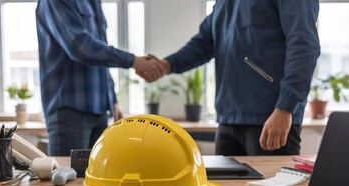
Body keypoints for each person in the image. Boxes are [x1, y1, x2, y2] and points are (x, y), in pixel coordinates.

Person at [140, 1, 320, 156]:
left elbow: (304, 46)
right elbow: (204, 42)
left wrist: (285, 108)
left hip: (271, 118)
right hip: (228, 119)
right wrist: (166, 65)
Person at [36, 0, 165, 156]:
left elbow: (99, 55)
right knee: (69, 177)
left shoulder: (93, 3)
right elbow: (80, 47)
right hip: (69, 110)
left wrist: (112, 99)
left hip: (99, 110)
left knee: (98, 177)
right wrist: (134, 61)